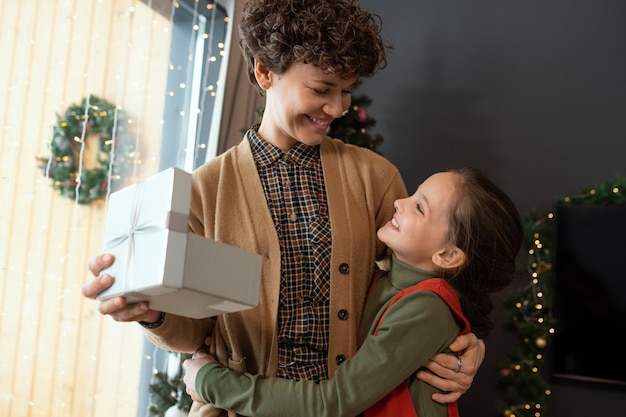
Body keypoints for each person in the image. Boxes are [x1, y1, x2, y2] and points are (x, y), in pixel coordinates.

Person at [82, 1, 485, 415]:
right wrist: (152, 315)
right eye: (321, 89)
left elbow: (418, 282)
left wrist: (464, 344)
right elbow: (195, 333)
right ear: (264, 73)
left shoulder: (375, 177)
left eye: (346, 90)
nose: (337, 107)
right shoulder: (205, 191)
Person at [182, 167, 523, 417]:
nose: (400, 202)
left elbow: (334, 401)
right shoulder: (387, 279)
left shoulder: (426, 308)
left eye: (419, 207)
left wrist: (212, 382)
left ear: (447, 256)